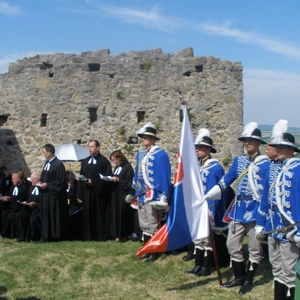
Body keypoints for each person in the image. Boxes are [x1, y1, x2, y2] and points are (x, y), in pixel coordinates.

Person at [205, 122, 269, 294]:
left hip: (256, 210)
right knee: (232, 244)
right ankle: (239, 276)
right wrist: (209, 195)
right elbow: (226, 180)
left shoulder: (265, 164)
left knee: (255, 248)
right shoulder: (239, 161)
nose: (247, 143)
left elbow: (267, 190)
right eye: (245, 140)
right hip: (239, 208)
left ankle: (248, 280)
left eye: (250, 141)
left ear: (258, 143)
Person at [256, 120, 299, 300]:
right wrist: (260, 223)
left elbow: (297, 200)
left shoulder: (297, 170)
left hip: (291, 228)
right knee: (277, 267)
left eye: (282, 147)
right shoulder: (277, 169)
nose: (278, 149)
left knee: (289, 269)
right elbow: (266, 199)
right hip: (274, 225)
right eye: (278, 147)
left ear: (291, 150)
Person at [185, 128, 229, 276]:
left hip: (210, 208)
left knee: (208, 239)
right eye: (197, 147)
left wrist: (210, 211)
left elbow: (213, 192)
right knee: (198, 237)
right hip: (197, 208)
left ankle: (206, 266)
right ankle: (197, 264)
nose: (198, 150)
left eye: (201, 147)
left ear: (209, 149)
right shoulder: (197, 166)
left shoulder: (215, 168)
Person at [133, 122, 171, 262]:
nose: (143, 139)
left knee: (153, 223)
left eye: (146, 137)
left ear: (153, 139)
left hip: (153, 194)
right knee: (143, 223)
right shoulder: (142, 154)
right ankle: (147, 248)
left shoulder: (160, 155)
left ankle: (155, 250)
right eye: (143, 137)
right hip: (141, 193)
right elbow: (138, 172)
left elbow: (164, 176)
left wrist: (162, 196)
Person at [77, 139, 112, 241]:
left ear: (98, 148)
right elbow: (80, 177)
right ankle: (88, 237)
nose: (90, 149)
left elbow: (106, 178)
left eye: (92, 147)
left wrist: (94, 182)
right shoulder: (85, 161)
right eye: (89, 146)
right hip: (86, 193)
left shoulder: (104, 162)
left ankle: (99, 236)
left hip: (98, 195)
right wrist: (79, 194)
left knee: (98, 215)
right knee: (87, 215)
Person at [39, 143, 68, 242]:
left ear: (50, 152)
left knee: (53, 215)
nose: (43, 154)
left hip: (53, 196)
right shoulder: (47, 163)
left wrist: (48, 185)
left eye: (44, 152)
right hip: (45, 195)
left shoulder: (58, 164)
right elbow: (44, 177)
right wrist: (40, 182)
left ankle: (54, 236)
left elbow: (60, 181)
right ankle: (45, 235)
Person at [110, 150, 134, 242]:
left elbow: (130, 183)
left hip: (123, 194)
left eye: (115, 160)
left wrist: (119, 180)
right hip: (116, 194)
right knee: (115, 214)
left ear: (120, 158)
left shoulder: (127, 168)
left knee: (122, 215)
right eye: (112, 160)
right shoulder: (117, 167)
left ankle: (123, 235)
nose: (114, 162)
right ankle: (116, 234)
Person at [1, 172, 29, 241]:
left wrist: (11, 199)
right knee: (5, 215)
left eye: (13, 179)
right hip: (12, 207)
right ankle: (8, 234)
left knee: (17, 217)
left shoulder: (24, 188)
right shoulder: (12, 187)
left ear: (19, 179)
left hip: (21, 208)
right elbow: (11, 195)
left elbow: (21, 199)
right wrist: (6, 198)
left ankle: (20, 236)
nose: (12, 180)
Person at [26, 173, 42, 242]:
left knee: (33, 220)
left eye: (34, 182)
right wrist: (27, 202)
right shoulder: (31, 188)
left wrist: (35, 203)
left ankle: (36, 237)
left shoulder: (42, 189)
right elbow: (29, 198)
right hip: (31, 209)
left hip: (39, 210)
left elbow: (43, 201)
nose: (32, 183)